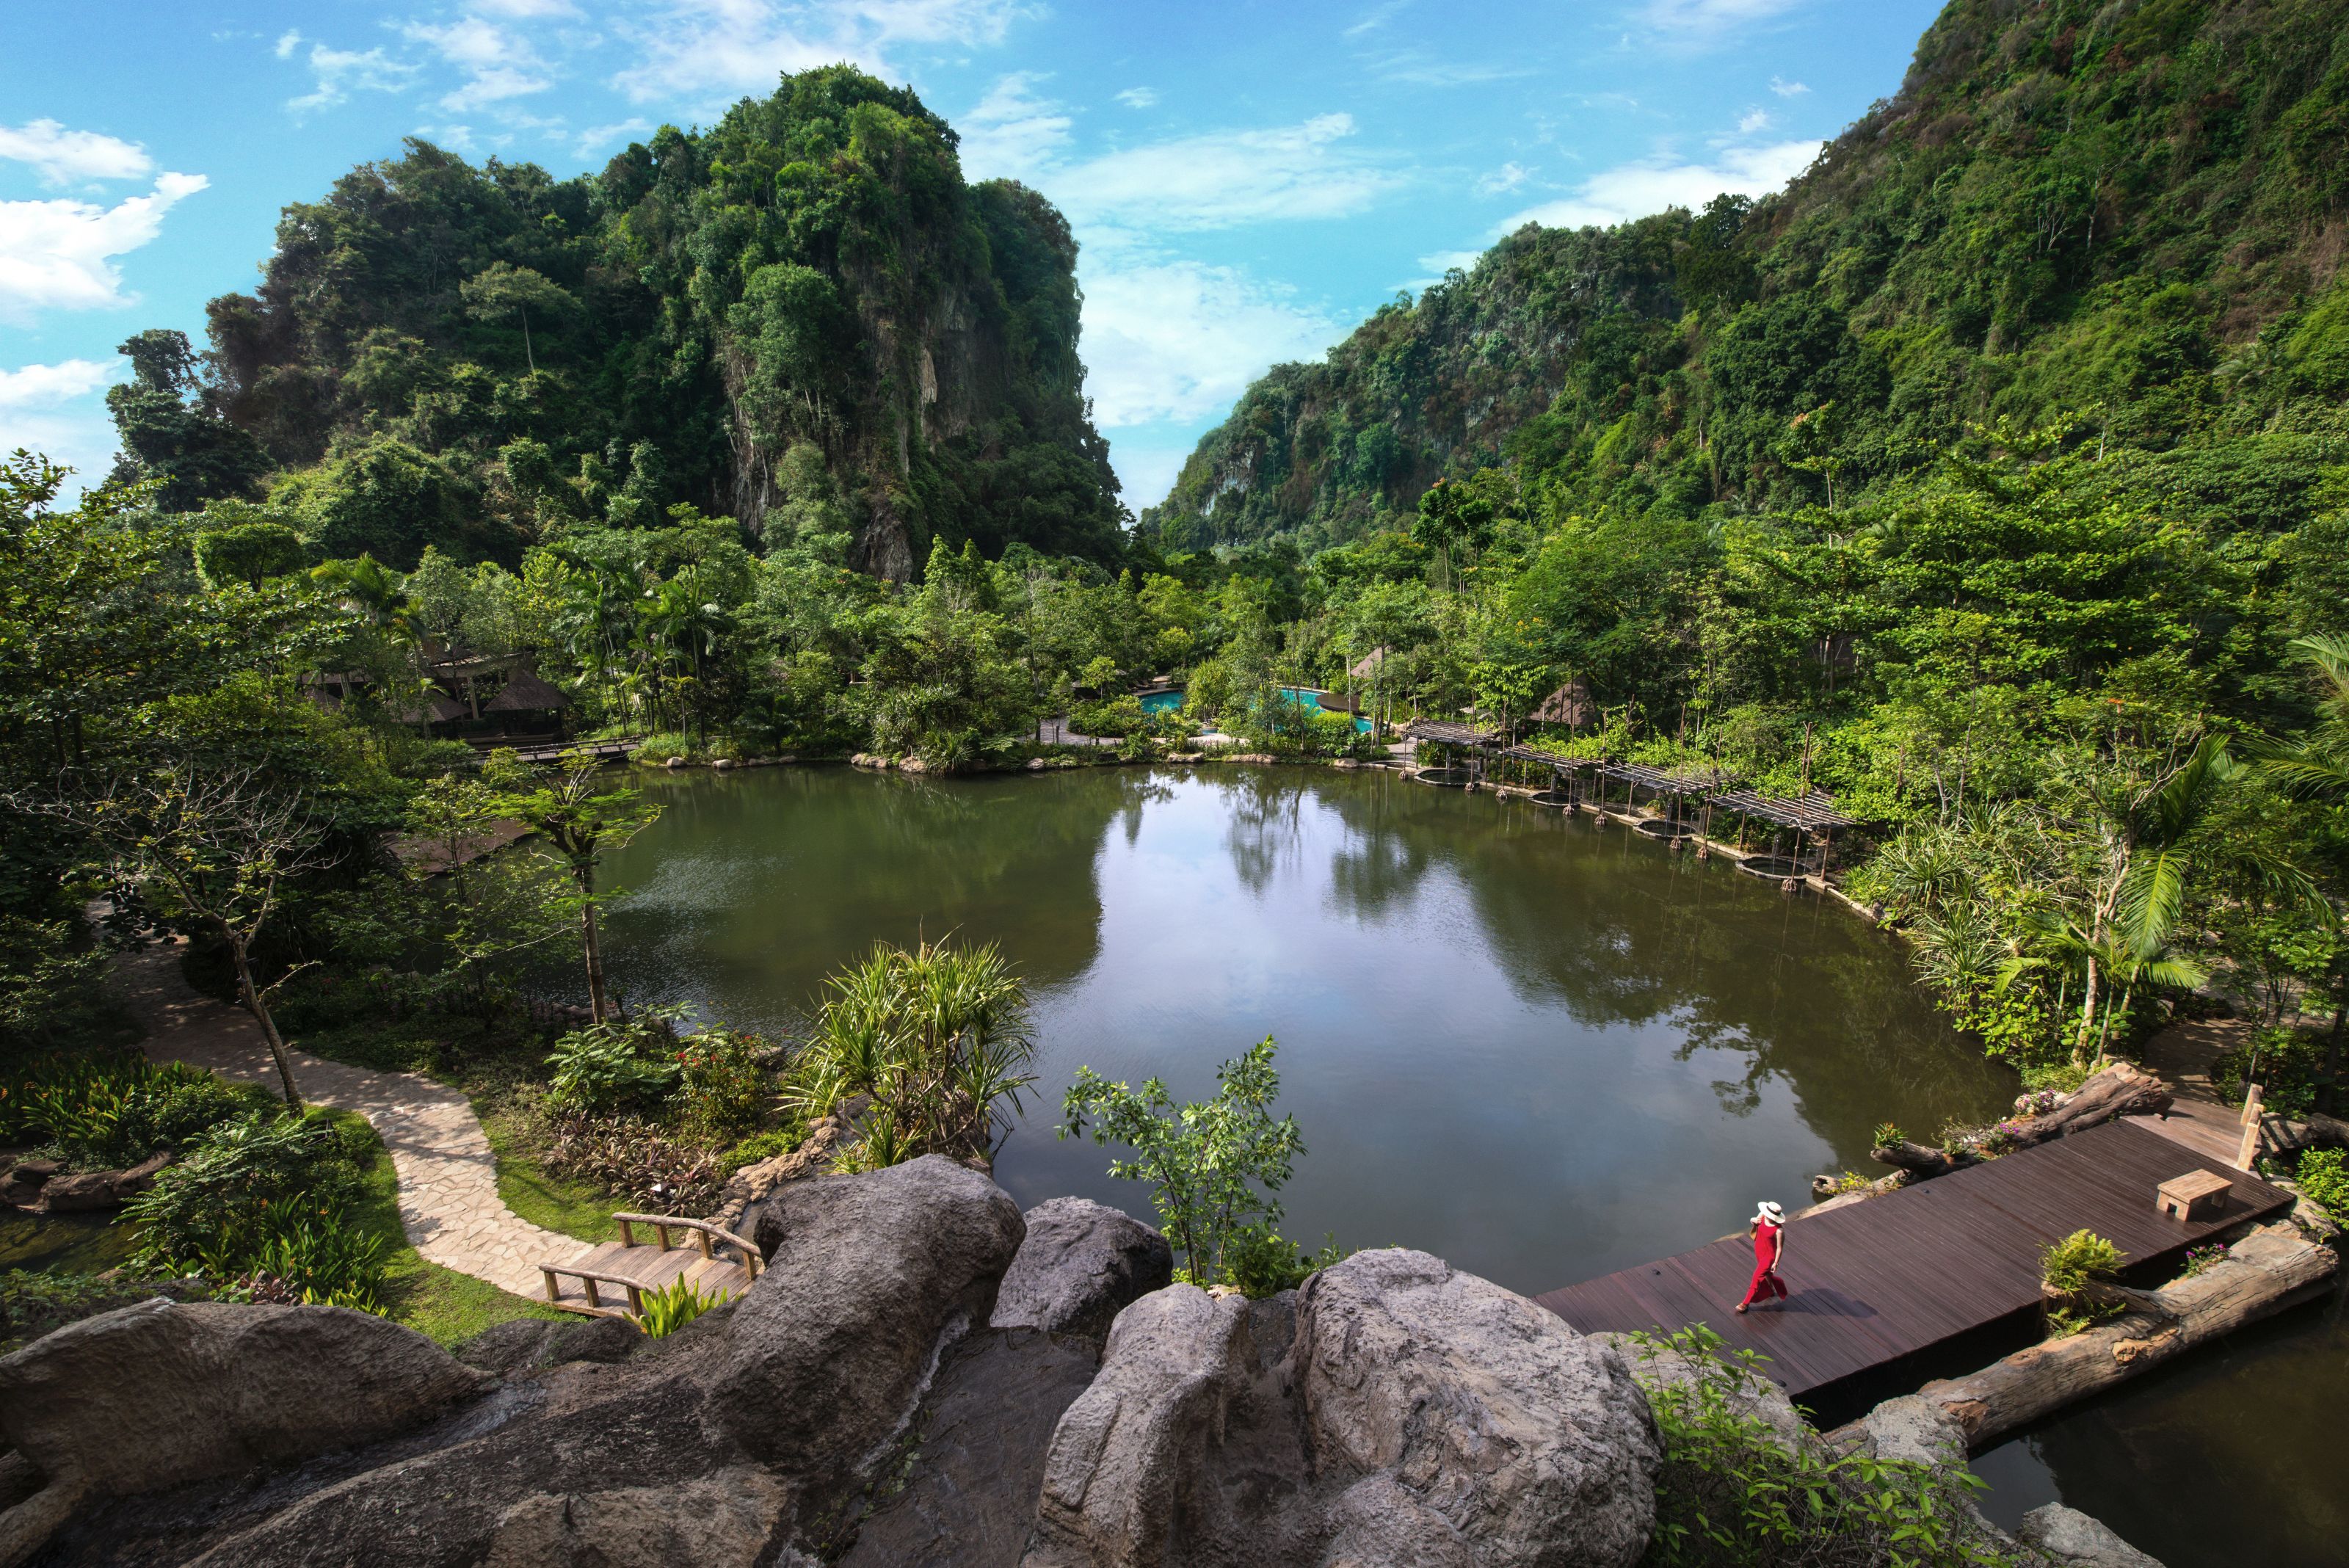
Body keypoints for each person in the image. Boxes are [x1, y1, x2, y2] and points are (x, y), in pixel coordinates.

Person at [1735, 1200, 1788, 1313]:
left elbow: (1779, 1248)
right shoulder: (1762, 1216)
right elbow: (1754, 1223)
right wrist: (1752, 1220)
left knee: (1756, 1278)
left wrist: (1776, 1263)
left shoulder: (1779, 1230)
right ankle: (1772, 1289)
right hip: (1759, 1250)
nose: (1768, 1217)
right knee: (1767, 1274)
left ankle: (1745, 1304)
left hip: (1769, 1257)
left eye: (1771, 1216)